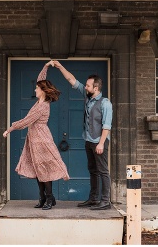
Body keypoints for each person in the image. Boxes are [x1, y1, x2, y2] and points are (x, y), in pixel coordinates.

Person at [3, 61, 70, 210]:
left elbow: (26, 121)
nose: (35, 89)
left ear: (42, 91)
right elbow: (41, 79)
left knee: (43, 169)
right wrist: (46, 66)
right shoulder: (40, 102)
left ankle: (49, 198)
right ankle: (43, 198)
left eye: (37, 88)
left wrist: (10, 129)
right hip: (34, 139)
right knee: (37, 169)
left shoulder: (42, 106)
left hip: (41, 139)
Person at [53, 60, 113, 210]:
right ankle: (93, 199)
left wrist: (101, 143)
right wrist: (60, 66)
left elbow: (106, 126)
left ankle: (105, 201)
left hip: (100, 142)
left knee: (103, 171)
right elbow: (72, 80)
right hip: (88, 140)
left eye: (88, 85)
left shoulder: (105, 103)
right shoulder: (88, 97)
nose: (85, 87)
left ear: (96, 88)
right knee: (93, 170)